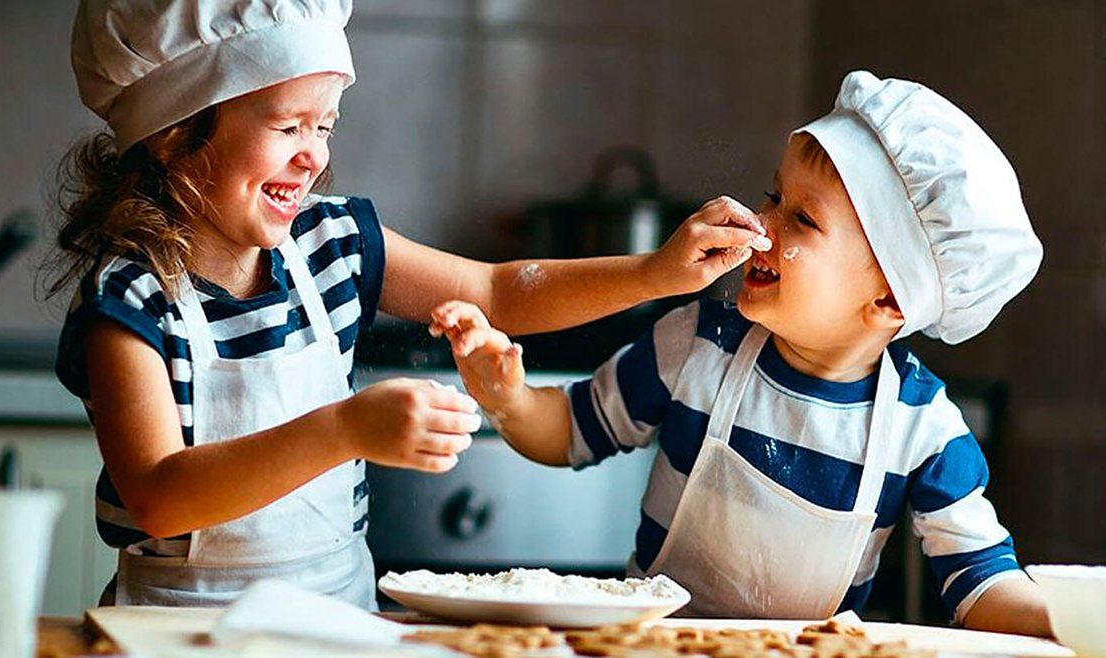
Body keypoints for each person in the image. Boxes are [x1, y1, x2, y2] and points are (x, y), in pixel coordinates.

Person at [50, 0, 771, 608]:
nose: (314, 156)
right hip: (173, 633)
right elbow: (157, 496)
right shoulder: (130, 296)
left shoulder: (334, 244)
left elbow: (496, 290)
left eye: (325, 126)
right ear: (177, 133)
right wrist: (343, 430)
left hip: (338, 622)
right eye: (287, 125)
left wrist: (653, 274)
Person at [434, 71, 1052, 636]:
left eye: (801, 220)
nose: (762, 224)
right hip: (650, 648)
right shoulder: (696, 344)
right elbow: (569, 431)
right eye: (772, 196)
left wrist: (1067, 620)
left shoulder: (924, 429)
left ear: (890, 298)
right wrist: (508, 398)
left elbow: (982, 583)